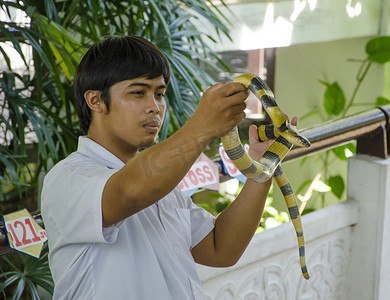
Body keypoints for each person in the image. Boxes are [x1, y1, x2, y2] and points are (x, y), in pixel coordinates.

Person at [41, 35, 297, 300]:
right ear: (95, 101)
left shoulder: (163, 185)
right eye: (138, 93)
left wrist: (263, 167)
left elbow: (221, 248)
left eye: (160, 94)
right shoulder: (67, 178)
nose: (154, 107)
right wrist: (203, 126)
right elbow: (129, 192)